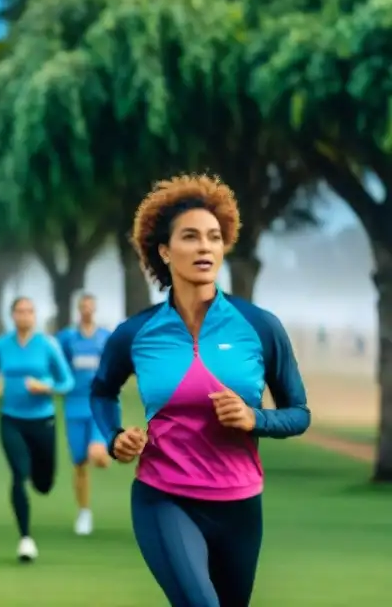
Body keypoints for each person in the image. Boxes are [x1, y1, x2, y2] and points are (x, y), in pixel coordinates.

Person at [90, 174, 311, 607]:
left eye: (214, 237)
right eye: (190, 237)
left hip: (241, 504)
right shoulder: (135, 333)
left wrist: (255, 419)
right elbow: (101, 391)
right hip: (164, 497)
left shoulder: (260, 327)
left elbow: (299, 411)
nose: (205, 247)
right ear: (165, 251)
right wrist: (116, 437)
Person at [0, 297, 74, 562]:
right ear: (13, 315)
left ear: (35, 316)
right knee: (18, 474)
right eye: (20, 311)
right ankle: (25, 538)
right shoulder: (1, 345)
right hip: (11, 419)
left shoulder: (47, 345)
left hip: (43, 421)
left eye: (29, 311)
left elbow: (65, 381)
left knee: (43, 484)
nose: (25, 316)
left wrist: (46, 386)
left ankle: (38, 474)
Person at [56, 293, 112, 536]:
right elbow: (55, 362)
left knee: (96, 455)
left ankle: (106, 449)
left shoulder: (105, 338)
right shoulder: (67, 339)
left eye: (91, 306)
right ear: (79, 309)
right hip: (74, 406)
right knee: (79, 463)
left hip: (98, 404)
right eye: (83, 306)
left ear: (95, 308)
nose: (87, 310)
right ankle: (84, 512)